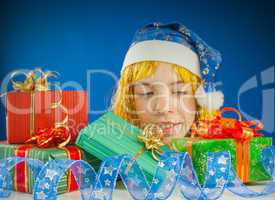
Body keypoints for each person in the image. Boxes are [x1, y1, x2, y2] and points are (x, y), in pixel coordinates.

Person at [111, 22, 224, 144]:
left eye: (179, 92)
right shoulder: (107, 159)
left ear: (199, 99)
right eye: (147, 93)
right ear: (130, 101)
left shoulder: (230, 157)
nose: (163, 108)